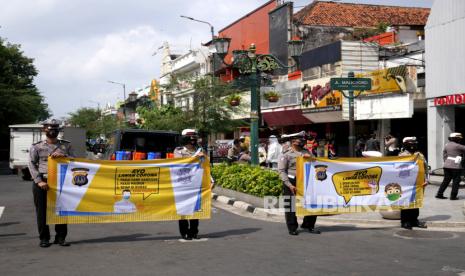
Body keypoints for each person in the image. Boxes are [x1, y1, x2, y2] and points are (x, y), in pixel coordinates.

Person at [28, 119, 74, 248]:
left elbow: (75, 161)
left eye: (55, 128)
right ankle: (44, 238)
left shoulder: (66, 146)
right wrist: (38, 181)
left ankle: (60, 238)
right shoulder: (37, 146)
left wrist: (63, 157)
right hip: (43, 181)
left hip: (61, 182)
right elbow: (31, 164)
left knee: (61, 211)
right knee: (42, 212)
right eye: (49, 128)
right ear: (44, 130)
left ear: (59, 130)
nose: (52, 130)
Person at [278, 131, 320, 236]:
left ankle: (308, 225)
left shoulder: (307, 152)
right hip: (292, 181)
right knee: (291, 206)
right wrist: (289, 184)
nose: (303, 141)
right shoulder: (286, 154)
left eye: (303, 139)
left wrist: (310, 158)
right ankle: (292, 227)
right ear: (293, 141)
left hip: (307, 181)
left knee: (312, 203)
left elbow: (316, 163)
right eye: (300, 139)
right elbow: (281, 171)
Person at [174, 129, 206, 240]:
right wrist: (195, 158)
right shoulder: (179, 151)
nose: (192, 140)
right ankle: (184, 232)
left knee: (195, 209)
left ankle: (193, 231)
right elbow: (179, 164)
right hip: (182, 184)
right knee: (182, 210)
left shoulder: (200, 150)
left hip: (196, 184)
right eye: (190, 137)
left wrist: (202, 158)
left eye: (194, 137)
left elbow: (204, 166)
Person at [398, 137, 428, 229]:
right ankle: (405, 221)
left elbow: (425, 167)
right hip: (406, 182)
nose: (412, 145)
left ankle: (414, 220)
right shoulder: (401, 155)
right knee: (406, 202)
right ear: (405, 144)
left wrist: (426, 179)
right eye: (410, 143)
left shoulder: (420, 155)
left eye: (414, 143)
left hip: (418, 182)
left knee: (416, 201)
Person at [436, 132, 465, 200]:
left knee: (446, 180)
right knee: (456, 181)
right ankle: (453, 196)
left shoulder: (447, 145)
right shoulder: (458, 146)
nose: (460, 140)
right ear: (456, 139)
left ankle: (439, 194)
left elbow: (444, 155)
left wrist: (446, 161)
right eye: (458, 138)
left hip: (446, 165)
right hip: (456, 166)